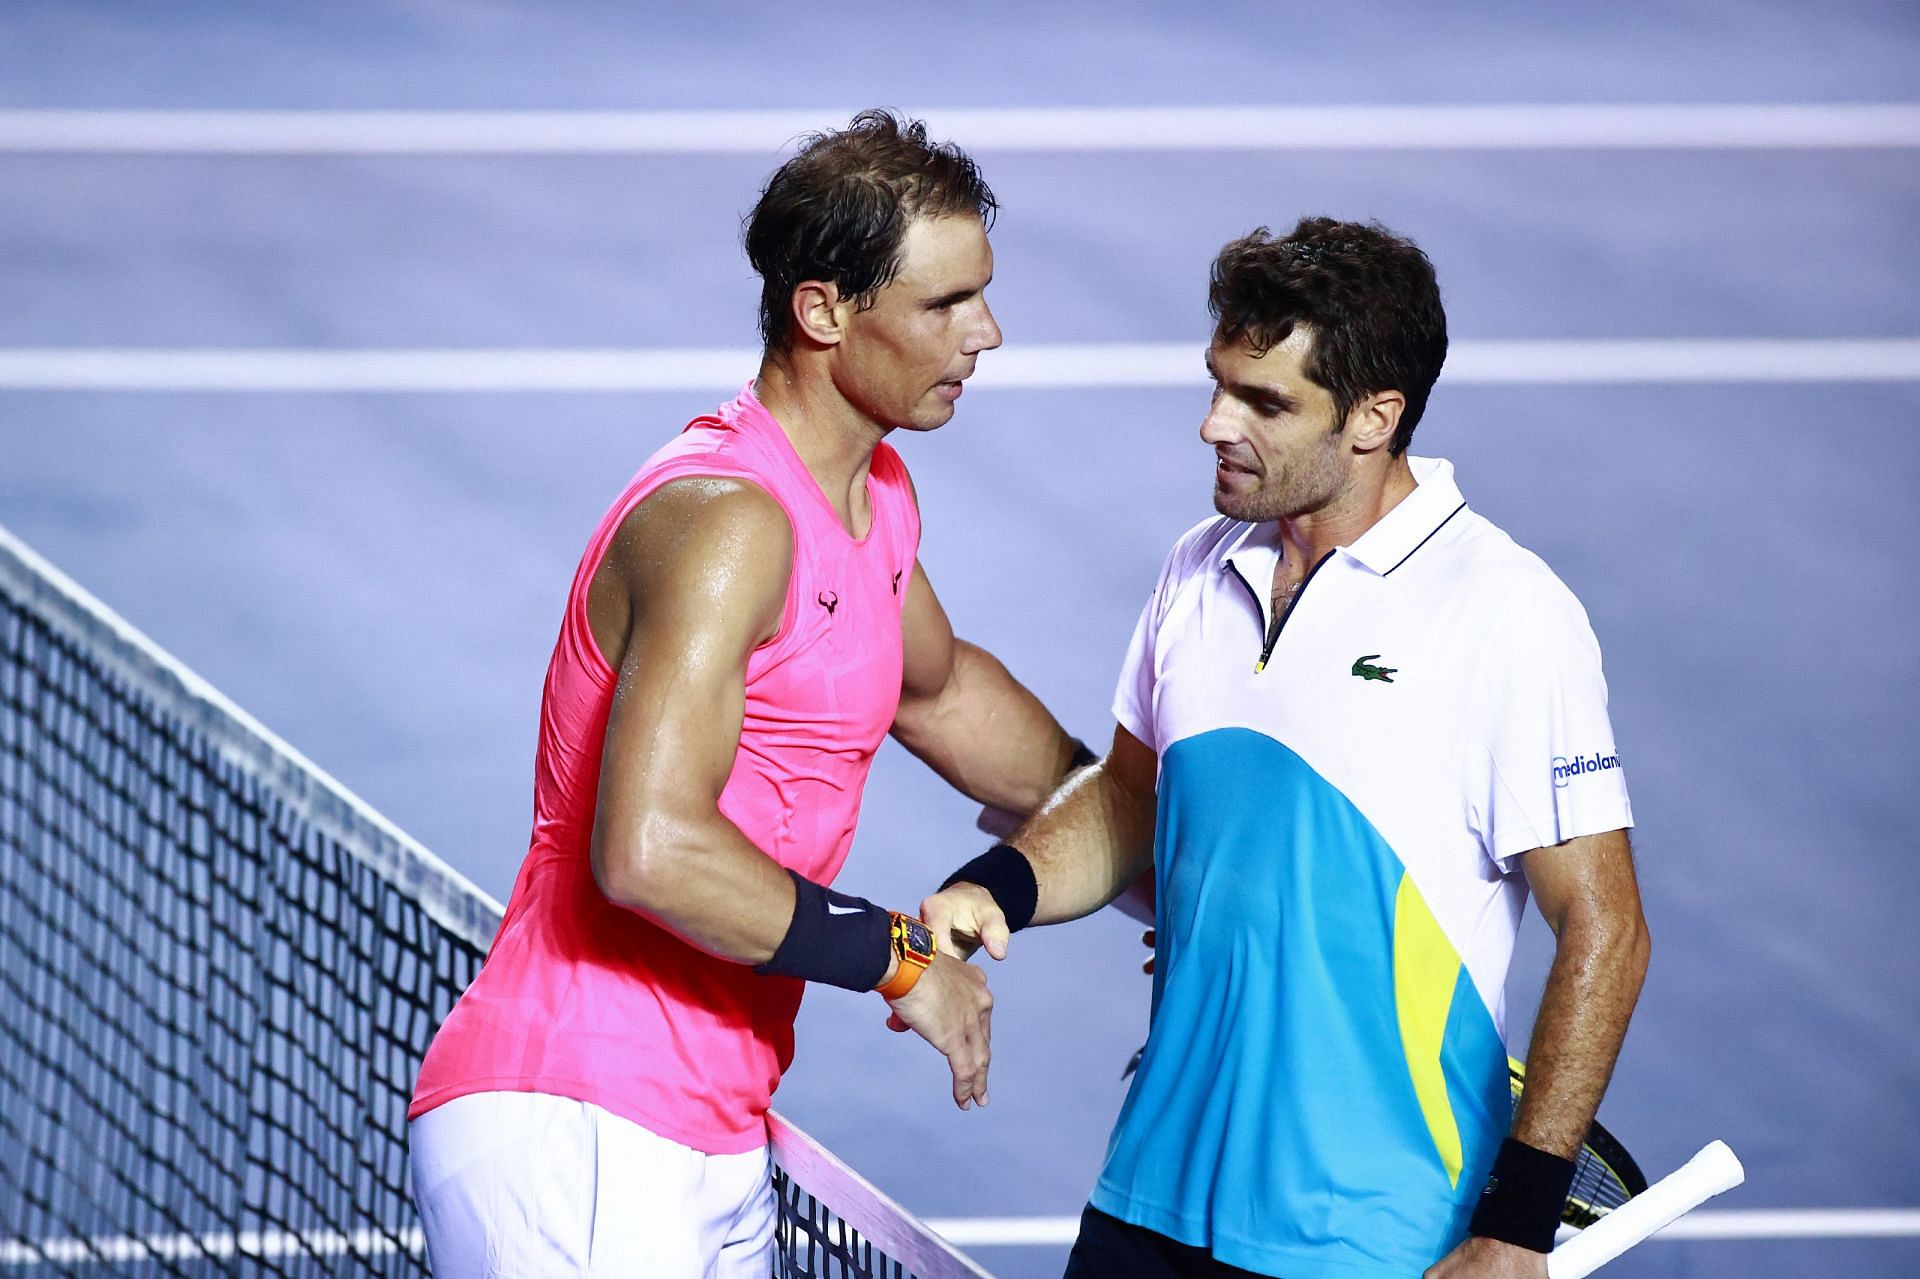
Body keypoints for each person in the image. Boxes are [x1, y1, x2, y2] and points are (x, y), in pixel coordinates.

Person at [407, 110, 1090, 1278]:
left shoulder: (871, 498)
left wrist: (1164, 845)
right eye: (945, 305)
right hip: (582, 1125)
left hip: (708, 1129)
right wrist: (903, 958)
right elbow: (649, 848)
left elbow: (942, 691)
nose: (987, 333)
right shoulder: (729, 522)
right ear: (823, 311)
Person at [924, 217, 1651, 1279]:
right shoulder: (1196, 567)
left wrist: (1521, 1219)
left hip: (1364, 1229)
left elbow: (1605, 925)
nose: (1215, 423)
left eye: (1265, 402)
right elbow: (1132, 799)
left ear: (1373, 419)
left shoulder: (1506, 615)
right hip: (1154, 1190)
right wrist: (1001, 884)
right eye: (1219, 383)